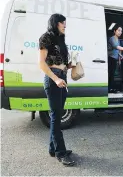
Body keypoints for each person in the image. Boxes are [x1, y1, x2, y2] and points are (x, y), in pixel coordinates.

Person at [38, 13, 75, 166]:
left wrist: (69, 66)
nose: (65, 25)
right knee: (55, 116)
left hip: (62, 76)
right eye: (63, 23)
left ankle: (53, 149)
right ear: (56, 23)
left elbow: (62, 63)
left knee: (57, 115)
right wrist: (56, 78)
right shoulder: (46, 37)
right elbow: (41, 63)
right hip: (53, 79)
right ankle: (60, 152)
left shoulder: (61, 40)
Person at [108, 25, 123, 93]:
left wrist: (120, 54)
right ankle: (109, 89)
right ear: (114, 31)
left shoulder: (117, 39)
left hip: (115, 58)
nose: (120, 32)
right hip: (110, 58)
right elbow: (116, 47)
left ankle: (111, 88)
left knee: (112, 74)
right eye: (118, 30)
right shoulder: (112, 38)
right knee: (110, 73)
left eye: (121, 31)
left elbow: (115, 50)